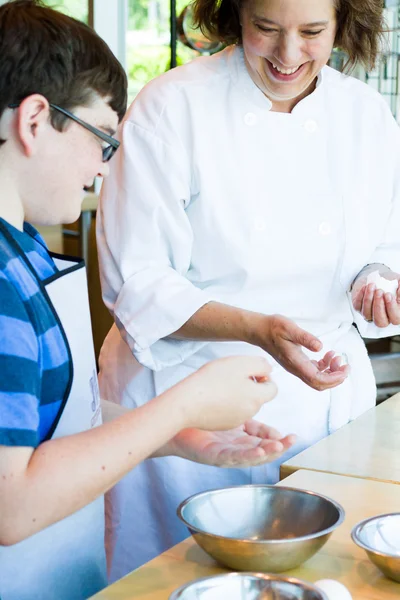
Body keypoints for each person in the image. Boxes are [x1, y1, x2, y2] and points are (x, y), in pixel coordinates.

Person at [0, 2, 297, 599]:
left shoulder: (25, 249)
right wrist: (182, 405)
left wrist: (181, 439)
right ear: (35, 121)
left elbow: (45, 424)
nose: (102, 168)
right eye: (101, 140)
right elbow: (11, 504)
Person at [97, 0, 400, 581]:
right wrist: (256, 330)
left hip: (323, 401)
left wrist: (377, 283)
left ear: (343, 25)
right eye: (267, 29)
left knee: (322, 581)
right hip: (188, 403)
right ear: (236, 16)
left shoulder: (364, 115)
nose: (289, 55)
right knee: (171, 582)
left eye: (312, 32)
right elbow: (137, 278)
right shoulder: (172, 106)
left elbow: (386, 246)